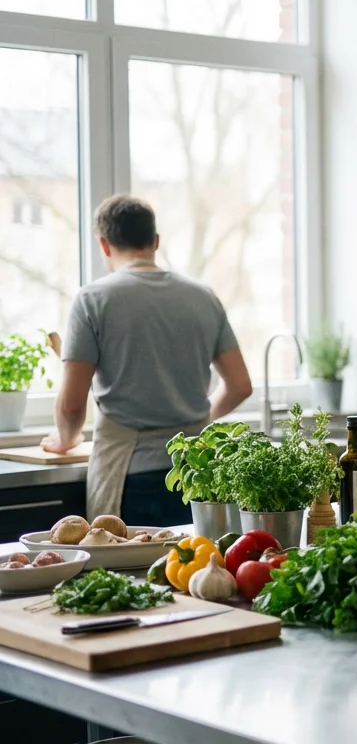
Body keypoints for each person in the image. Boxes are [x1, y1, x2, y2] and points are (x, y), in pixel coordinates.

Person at [41, 195, 252, 527]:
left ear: (104, 245)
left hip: (129, 476)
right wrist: (193, 420)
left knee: (131, 574)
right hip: (195, 473)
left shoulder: (93, 300)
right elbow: (240, 386)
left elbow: (70, 406)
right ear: (155, 242)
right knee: (193, 573)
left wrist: (65, 439)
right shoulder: (203, 297)